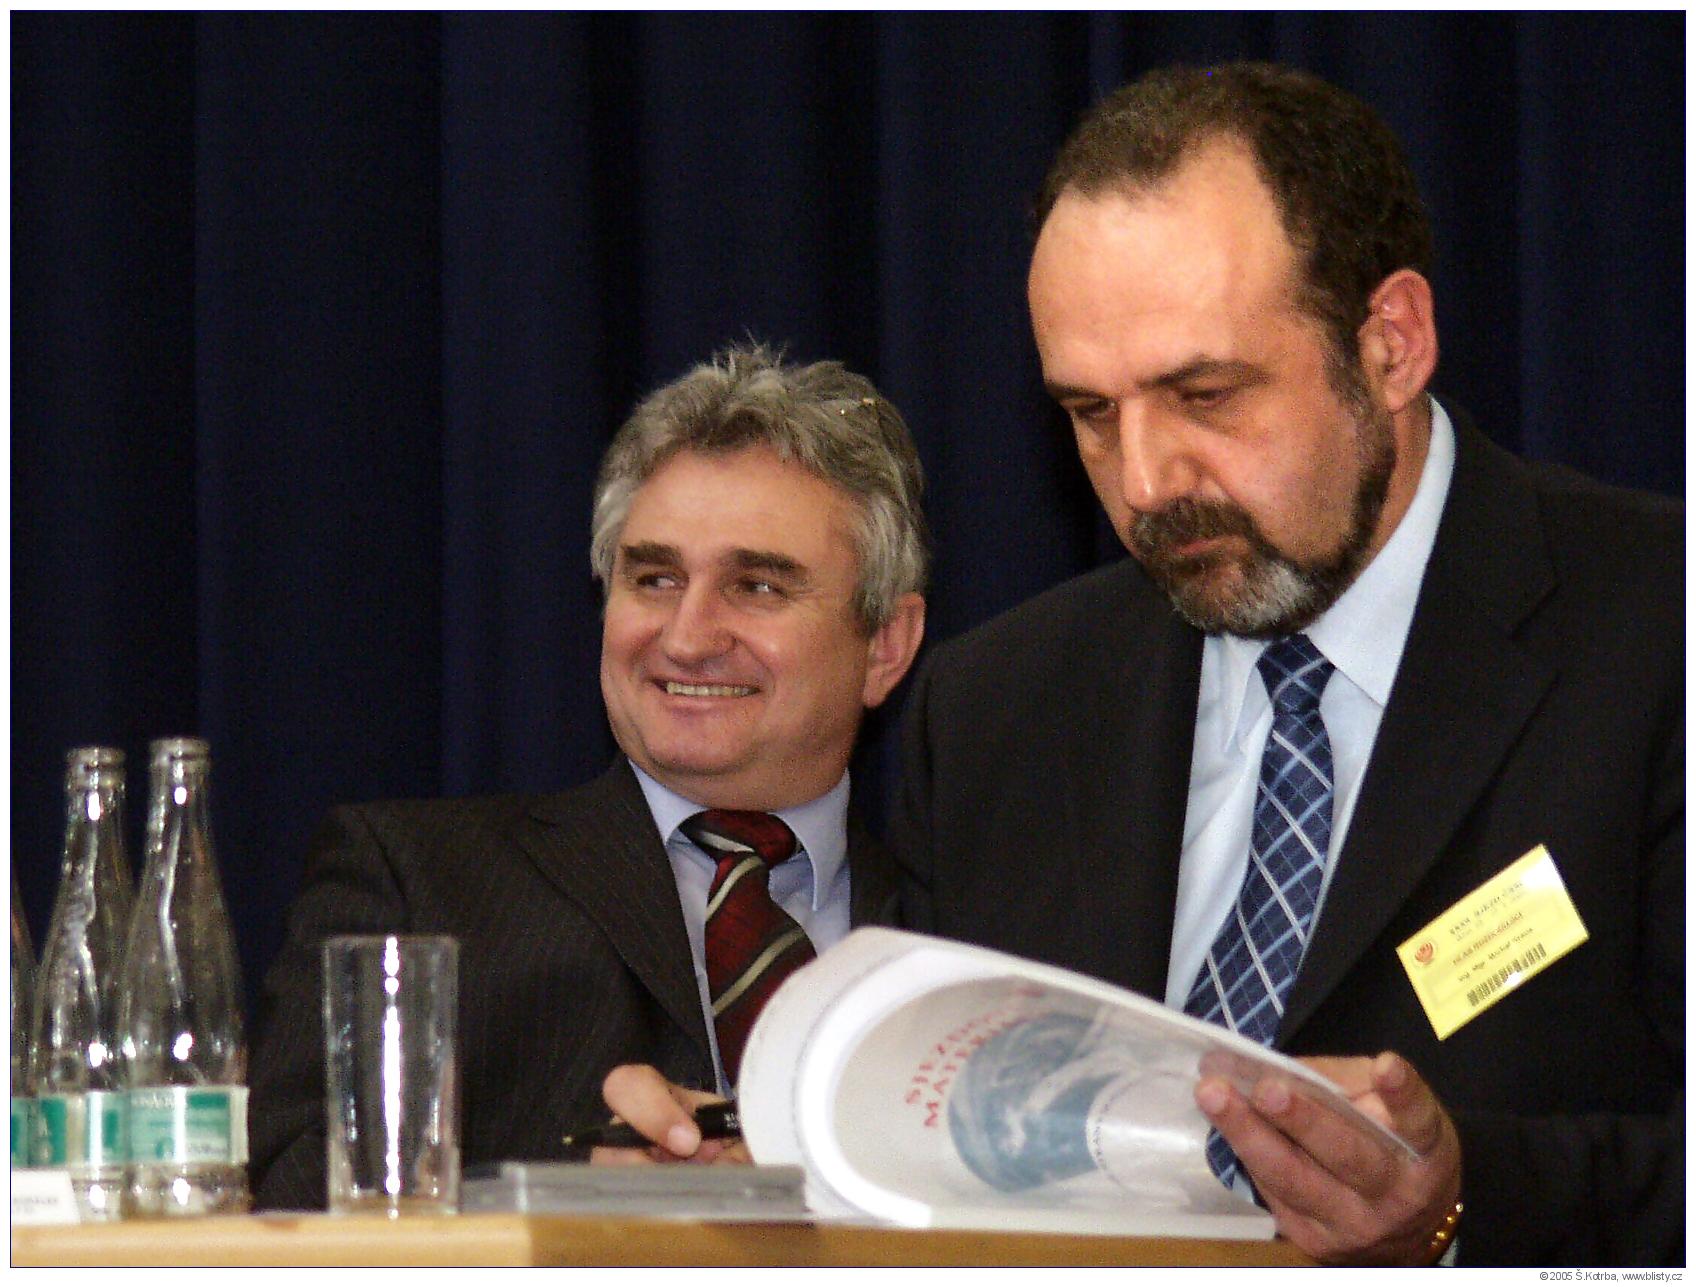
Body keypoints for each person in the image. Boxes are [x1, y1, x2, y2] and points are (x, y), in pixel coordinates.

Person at [890, 62, 1681, 1266]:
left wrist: (1459, 1206)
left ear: (1391, 345)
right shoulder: (993, 710)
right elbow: (924, 1150)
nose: (1144, 483)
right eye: (1091, 414)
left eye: (1204, 393)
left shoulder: (1657, 631)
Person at [246, 343, 928, 1207]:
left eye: (757, 586)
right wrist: (566, 1198)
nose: (687, 636)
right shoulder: (416, 881)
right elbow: (287, 1199)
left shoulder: (966, 921)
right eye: (655, 578)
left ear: (885, 646)